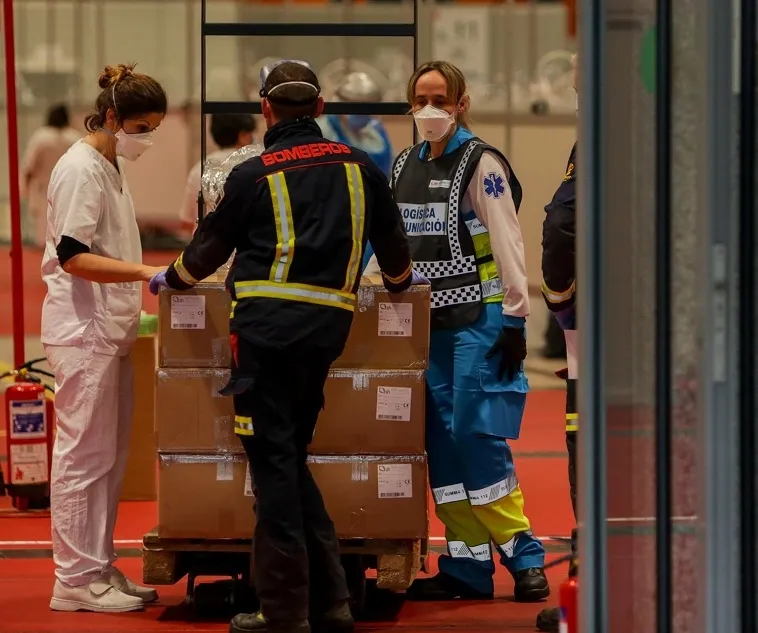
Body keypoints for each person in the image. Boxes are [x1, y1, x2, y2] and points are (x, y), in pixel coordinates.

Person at [149, 60, 427, 633]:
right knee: (289, 461)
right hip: (327, 337)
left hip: (264, 342)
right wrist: (399, 289)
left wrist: (169, 279)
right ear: (320, 110)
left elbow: (202, 255)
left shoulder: (253, 175)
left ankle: (282, 611)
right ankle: (331, 603)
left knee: (274, 472)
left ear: (266, 111)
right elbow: (397, 260)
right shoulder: (362, 170)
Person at [366, 60, 550, 602]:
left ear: (461, 103)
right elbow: (386, 241)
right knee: (440, 445)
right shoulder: (401, 166)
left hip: (480, 317)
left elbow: (508, 240)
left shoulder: (481, 162)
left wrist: (516, 317)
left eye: (441, 99)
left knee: (476, 433)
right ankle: (467, 566)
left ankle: (522, 554)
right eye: (421, 99)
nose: (431, 110)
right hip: (424, 326)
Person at [40, 63, 168, 614]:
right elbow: (72, 255)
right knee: (81, 455)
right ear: (112, 117)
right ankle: (71, 577)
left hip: (109, 329)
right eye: (140, 128)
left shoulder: (109, 166)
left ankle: (97, 564)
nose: (146, 139)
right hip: (81, 330)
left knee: (110, 458)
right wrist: (144, 274)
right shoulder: (80, 170)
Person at [536, 54, 579, 633]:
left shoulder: (596, 141)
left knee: (589, 445)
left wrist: (562, 304)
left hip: (602, 334)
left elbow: (561, 225)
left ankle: (591, 579)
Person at [317, 71, 395, 272]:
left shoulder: (376, 131)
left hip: (373, 219)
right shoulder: (323, 131)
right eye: (356, 106)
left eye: (367, 108)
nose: (362, 114)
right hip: (335, 220)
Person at [179, 113, 257, 239]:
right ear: (243, 135)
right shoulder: (256, 164)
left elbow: (186, 222)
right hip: (247, 252)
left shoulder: (199, 168)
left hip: (205, 252)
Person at [21, 103, 80, 248]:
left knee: (45, 229)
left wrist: (25, 187)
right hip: (70, 186)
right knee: (68, 225)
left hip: (44, 188)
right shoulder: (74, 137)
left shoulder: (41, 137)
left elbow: (29, 165)